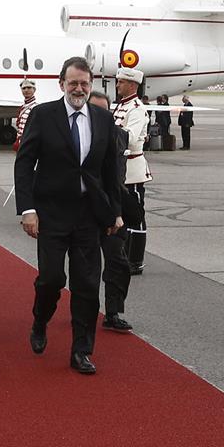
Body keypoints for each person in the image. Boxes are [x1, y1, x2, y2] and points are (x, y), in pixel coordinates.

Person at [15, 57, 123, 374]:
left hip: (89, 214)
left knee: (87, 285)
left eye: (84, 83)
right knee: (51, 279)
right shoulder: (43, 115)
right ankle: (40, 319)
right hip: (51, 213)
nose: (79, 88)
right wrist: (28, 209)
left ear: (91, 85)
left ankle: (81, 350)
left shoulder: (103, 119)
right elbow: (25, 163)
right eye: (73, 83)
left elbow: (110, 170)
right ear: (62, 83)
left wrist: (114, 212)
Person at [88, 91, 136, 333]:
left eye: (103, 111)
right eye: (94, 109)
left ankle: (113, 312)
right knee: (86, 267)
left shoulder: (119, 136)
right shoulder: (77, 137)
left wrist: (118, 211)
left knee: (118, 263)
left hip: (112, 210)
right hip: (83, 211)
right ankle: (84, 308)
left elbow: (118, 175)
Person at [114, 68, 152, 278]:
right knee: (123, 214)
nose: (118, 85)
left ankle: (135, 260)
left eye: (121, 82)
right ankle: (123, 255)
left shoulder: (136, 108)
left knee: (136, 216)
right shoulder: (123, 106)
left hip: (133, 170)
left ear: (132, 84)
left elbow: (129, 137)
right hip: (120, 169)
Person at [13, 77, 38, 149]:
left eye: (29, 88)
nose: (26, 90)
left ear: (34, 90)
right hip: (21, 142)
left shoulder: (36, 107)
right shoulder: (23, 107)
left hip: (29, 144)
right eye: (24, 88)